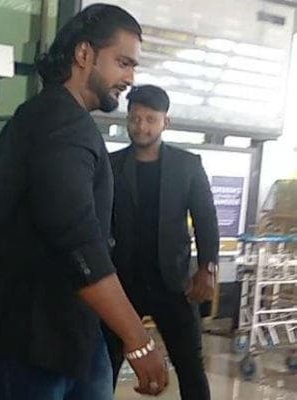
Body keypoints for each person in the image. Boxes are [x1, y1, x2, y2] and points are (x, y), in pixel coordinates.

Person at [0, 4, 169, 400]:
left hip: (70, 335)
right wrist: (137, 338)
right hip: (30, 346)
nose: (130, 79)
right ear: (84, 54)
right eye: (123, 63)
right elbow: (77, 241)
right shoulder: (57, 124)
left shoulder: (58, 120)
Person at [104, 84, 219, 399]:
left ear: (165, 122)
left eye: (150, 119)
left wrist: (207, 267)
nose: (141, 126)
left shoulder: (187, 165)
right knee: (104, 364)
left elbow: (206, 218)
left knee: (190, 365)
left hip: (173, 284)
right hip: (122, 283)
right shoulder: (111, 166)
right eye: (135, 119)